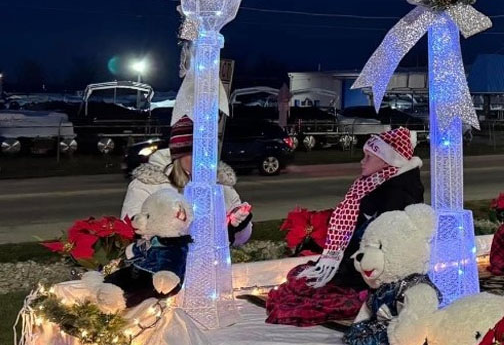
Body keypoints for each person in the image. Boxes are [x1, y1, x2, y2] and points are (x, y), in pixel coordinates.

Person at [265, 127, 424, 326]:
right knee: (300, 278)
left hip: (370, 271)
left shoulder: (398, 194)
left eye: (368, 157)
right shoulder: (375, 184)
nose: (362, 161)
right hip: (354, 263)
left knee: (304, 292)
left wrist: (346, 269)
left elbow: (381, 243)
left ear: (386, 161)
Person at [121, 117, 253, 246]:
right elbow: (129, 232)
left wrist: (238, 226)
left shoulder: (220, 184)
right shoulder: (148, 184)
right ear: (179, 153)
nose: (203, 159)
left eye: (208, 151)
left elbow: (240, 239)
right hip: (164, 266)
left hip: (211, 266)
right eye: (195, 152)